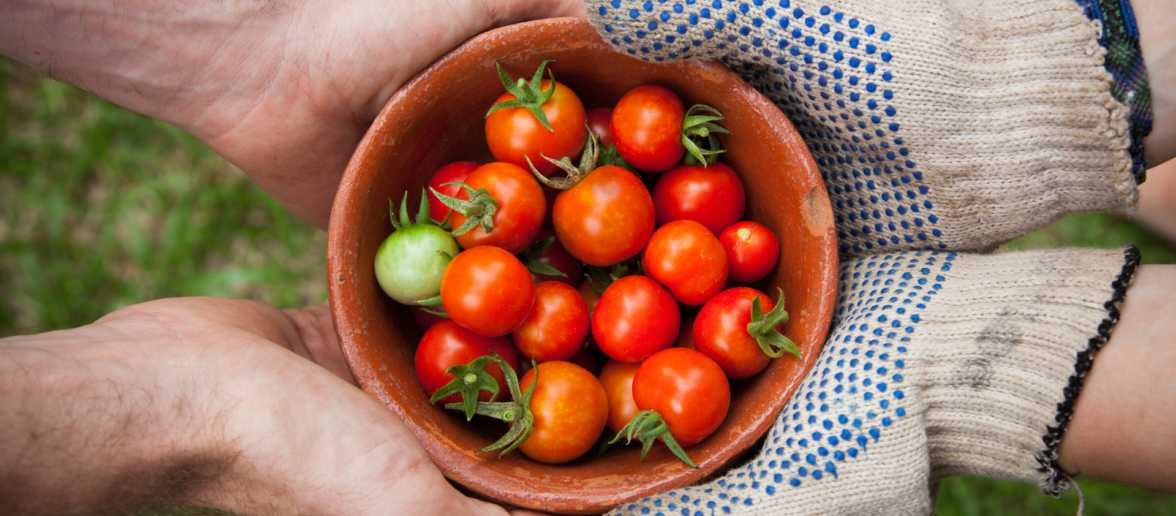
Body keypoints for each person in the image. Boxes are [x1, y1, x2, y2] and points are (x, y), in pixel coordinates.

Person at [0, 0, 1172, 514]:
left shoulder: (546, 229)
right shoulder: (542, 279)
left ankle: (1124, 134)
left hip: (659, 304)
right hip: (651, 323)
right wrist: (178, 421)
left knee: (1035, 115)